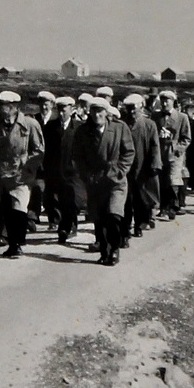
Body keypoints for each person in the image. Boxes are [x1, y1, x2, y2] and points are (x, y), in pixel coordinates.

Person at [0, 91, 45, 258]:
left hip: (21, 175)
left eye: (5, 105)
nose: (1, 108)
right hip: (1, 174)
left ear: (14, 107)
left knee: (19, 208)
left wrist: (28, 166)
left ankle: (17, 244)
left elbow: (39, 150)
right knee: (5, 209)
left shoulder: (30, 124)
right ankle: (12, 243)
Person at [72, 97, 135, 266]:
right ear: (89, 112)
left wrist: (120, 170)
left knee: (114, 215)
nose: (97, 114)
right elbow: (77, 156)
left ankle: (114, 250)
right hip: (96, 181)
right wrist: (86, 175)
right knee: (99, 219)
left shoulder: (119, 128)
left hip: (116, 181)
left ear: (107, 113)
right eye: (94, 111)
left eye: (100, 111)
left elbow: (129, 152)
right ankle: (104, 251)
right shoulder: (83, 131)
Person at [121, 94, 161, 242]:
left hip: (142, 167)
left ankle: (139, 224)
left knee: (141, 198)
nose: (131, 112)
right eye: (128, 108)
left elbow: (155, 146)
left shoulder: (149, 125)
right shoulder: (122, 123)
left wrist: (154, 164)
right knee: (126, 200)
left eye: (134, 108)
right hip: (126, 168)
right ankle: (125, 228)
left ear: (141, 107)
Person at [152, 90, 190, 219]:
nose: (164, 102)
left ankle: (173, 207)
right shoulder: (156, 116)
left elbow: (186, 138)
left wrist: (178, 148)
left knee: (173, 180)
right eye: (162, 100)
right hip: (160, 153)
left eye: (167, 100)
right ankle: (163, 207)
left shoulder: (181, 117)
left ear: (173, 101)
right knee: (162, 181)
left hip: (174, 154)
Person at [54, 96, 87, 244]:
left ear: (71, 110)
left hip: (75, 172)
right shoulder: (50, 127)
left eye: (64, 110)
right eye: (59, 110)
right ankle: (67, 226)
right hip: (57, 170)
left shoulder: (80, 127)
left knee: (75, 200)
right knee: (62, 200)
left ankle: (67, 225)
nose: (61, 113)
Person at [29, 91, 59, 231]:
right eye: (41, 104)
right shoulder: (34, 120)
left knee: (52, 191)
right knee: (36, 188)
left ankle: (54, 219)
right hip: (37, 161)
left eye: (46, 105)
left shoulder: (57, 120)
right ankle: (33, 218)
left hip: (53, 162)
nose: (44, 108)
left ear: (52, 105)